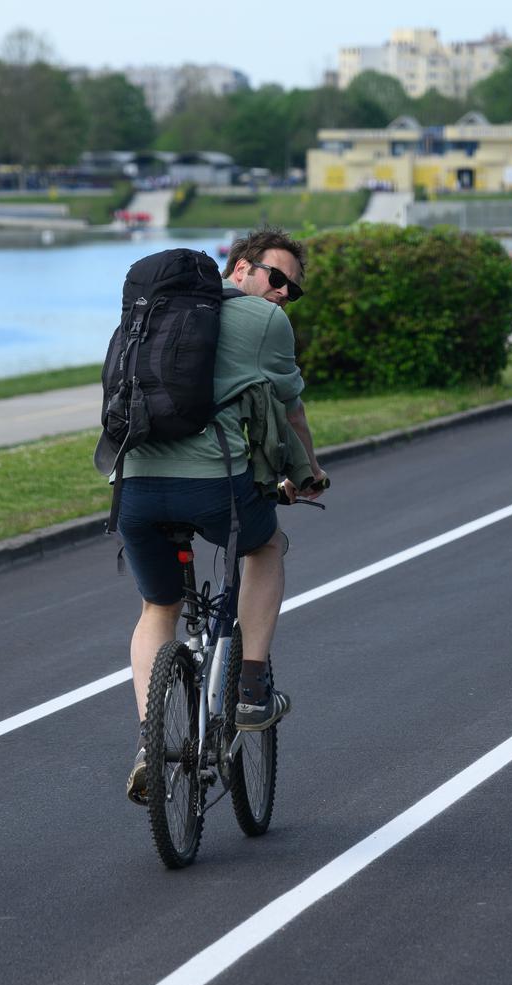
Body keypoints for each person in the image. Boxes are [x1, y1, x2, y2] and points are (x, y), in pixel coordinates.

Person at [116, 227, 328, 803]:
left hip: (134, 486)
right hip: (215, 487)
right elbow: (289, 408)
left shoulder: (152, 314)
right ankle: (253, 688)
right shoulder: (264, 324)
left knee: (158, 606)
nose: (283, 293)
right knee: (266, 547)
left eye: (293, 289)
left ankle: (150, 744)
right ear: (240, 268)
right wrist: (307, 471)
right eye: (276, 278)